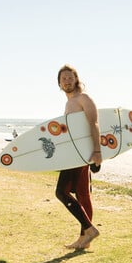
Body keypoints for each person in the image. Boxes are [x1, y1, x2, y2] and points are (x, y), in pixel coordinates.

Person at [55, 64, 100, 249]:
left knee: (61, 192)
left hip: (81, 154)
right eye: (63, 79)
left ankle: (89, 230)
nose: (67, 81)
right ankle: (84, 238)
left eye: (70, 77)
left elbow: (94, 123)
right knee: (82, 195)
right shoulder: (69, 103)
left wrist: (97, 151)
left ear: (76, 79)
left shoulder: (83, 98)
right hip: (74, 154)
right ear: (59, 84)